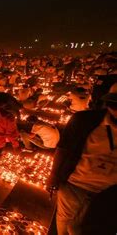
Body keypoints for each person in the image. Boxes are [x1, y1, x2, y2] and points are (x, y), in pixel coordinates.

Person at [47, 91, 117, 235]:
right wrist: (54, 175)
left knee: (84, 230)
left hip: (109, 195)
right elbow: (63, 148)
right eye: (114, 105)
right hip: (75, 184)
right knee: (64, 223)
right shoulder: (84, 120)